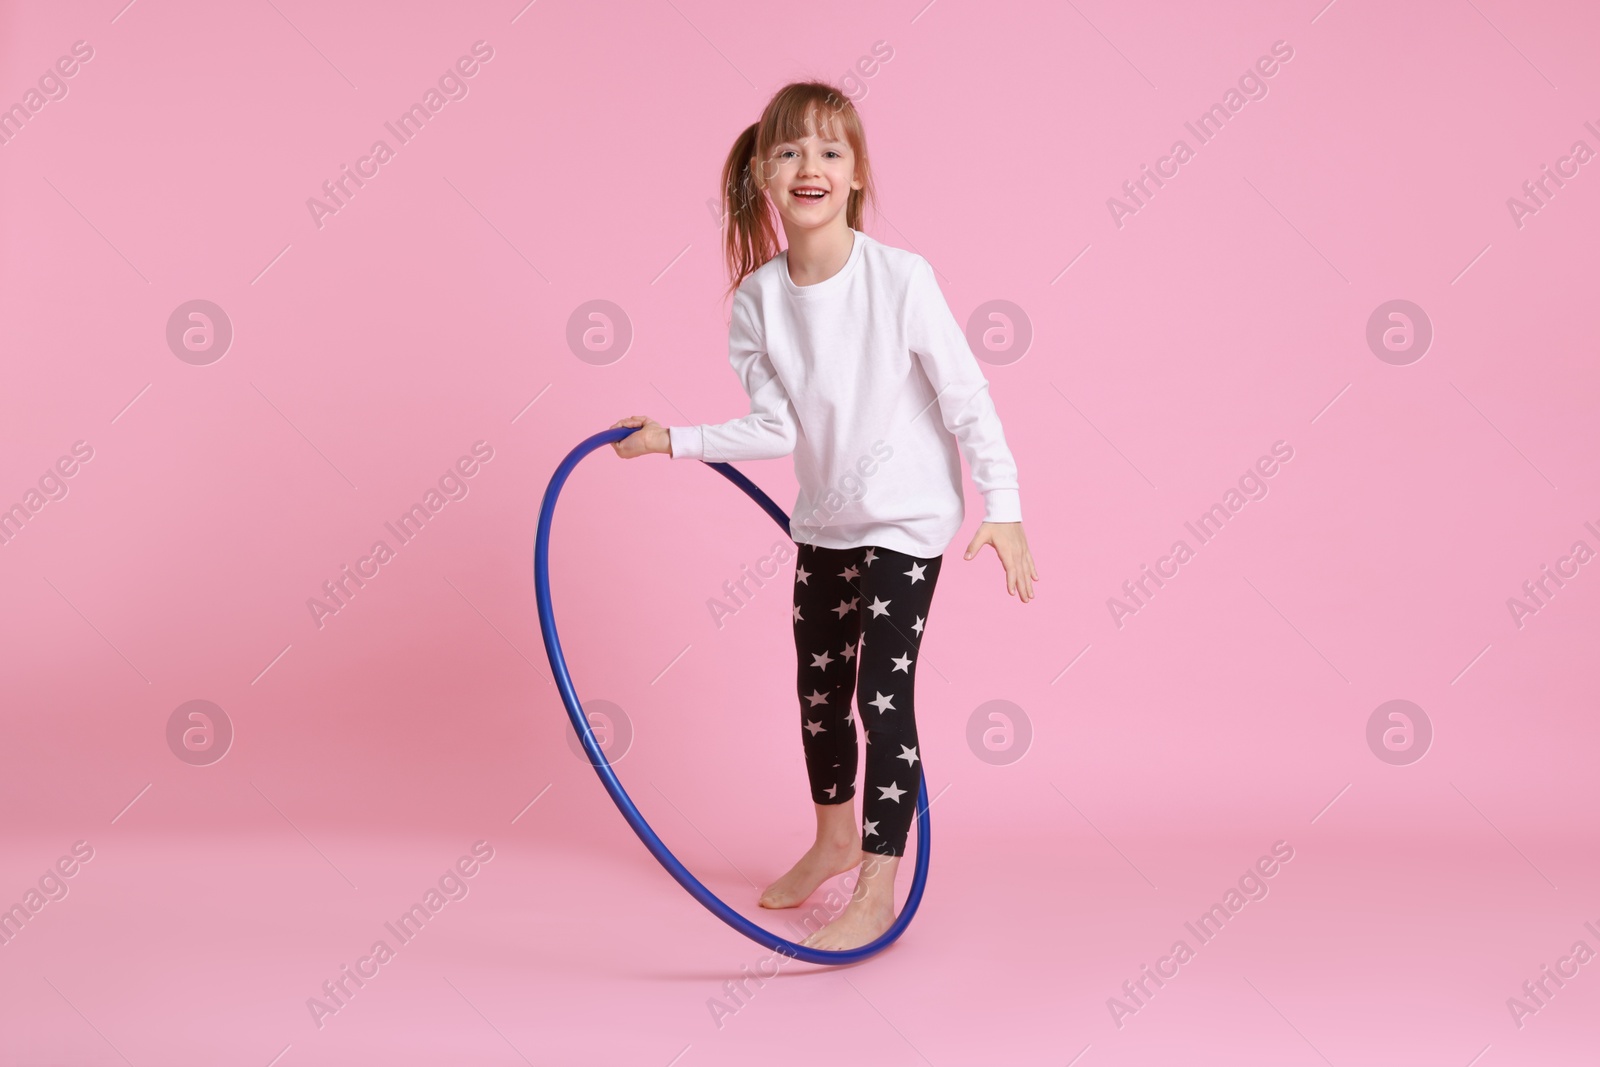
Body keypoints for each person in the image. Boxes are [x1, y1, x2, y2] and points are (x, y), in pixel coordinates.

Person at [610, 81, 1038, 951]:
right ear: (763, 173)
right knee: (818, 697)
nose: (812, 166)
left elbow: (966, 395)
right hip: (827, 524)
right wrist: (670, 439)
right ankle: (834, 835)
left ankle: (877, 880)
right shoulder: (756, 302)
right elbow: (776, 425)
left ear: (856, 176)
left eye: (831, 152)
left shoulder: (901, 278)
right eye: (791, 151)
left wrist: (1007, 505)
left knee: (883, 700)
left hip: (908, 521)